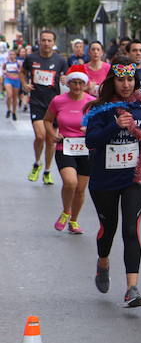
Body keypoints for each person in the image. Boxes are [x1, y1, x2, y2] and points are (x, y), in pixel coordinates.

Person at [83, 58, 141, 307]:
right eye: (121, 79)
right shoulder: (99, 109)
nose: (126, 85)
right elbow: (91, 141)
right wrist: (114, 126)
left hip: (134, 178)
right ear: (112, 81)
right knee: (109, 229)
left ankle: (132, 288)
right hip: (104, 180)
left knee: (130, 229)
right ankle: (103, 261)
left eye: (130, 79)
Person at [44, 65, 96, 233]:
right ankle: (66, 211)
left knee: (80, 189)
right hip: (64, 146)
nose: (78, 86)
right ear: (68, 83)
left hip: (85, 148)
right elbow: (47, 120)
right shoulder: (58, 100)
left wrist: (91, 131)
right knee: (70, 182)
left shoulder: (91, 102)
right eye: (74, 82)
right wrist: (52, 134)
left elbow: (99, 123)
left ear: (86, 84)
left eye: (81, 82)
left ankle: (74, 221)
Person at [21, 30, 68, 184]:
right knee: (40, 135)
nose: (46, 43)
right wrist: (24, 85)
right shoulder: (31, 58)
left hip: (53, 105)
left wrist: (64, 79)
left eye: (49, 40)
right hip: (36, 102)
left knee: (50, 139)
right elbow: (22, 72)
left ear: (54, 43)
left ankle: (47, 170)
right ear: (39, 42)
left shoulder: (60, 61)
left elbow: (66, 77)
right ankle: (37, 162)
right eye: (43, 40)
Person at [4, 48, 21, 120]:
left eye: (13, 54)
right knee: (9, 95)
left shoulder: (18, 63)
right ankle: (8, 109)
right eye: (10, 54)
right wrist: (4, 72)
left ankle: (14, 112)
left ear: (15, 55)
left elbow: (22, 72)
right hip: (8, 79)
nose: (11, 56)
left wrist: (18, 70)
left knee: (14, 97)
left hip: (16, 80)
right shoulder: (6, 63)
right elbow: (3, 69)